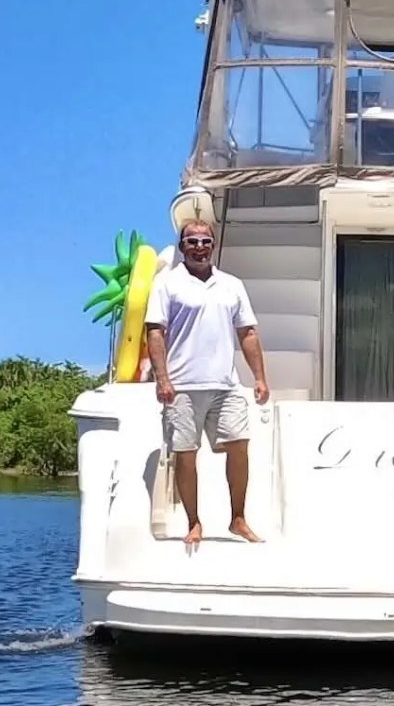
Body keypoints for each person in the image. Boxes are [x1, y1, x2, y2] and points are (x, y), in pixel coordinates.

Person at [142, 218, 270, 545]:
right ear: (182, 246)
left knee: (239, 444)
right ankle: (194, 522)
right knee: (187, 453)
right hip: (182, 386)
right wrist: (162, 379)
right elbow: (155, 330)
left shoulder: (232, 284)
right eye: (192, 242)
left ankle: (238, 518)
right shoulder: (167, 283)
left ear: (213, 246)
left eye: (205, 242)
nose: (199, 247)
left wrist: (259, 377)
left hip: (225, 384)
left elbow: (248, 332)